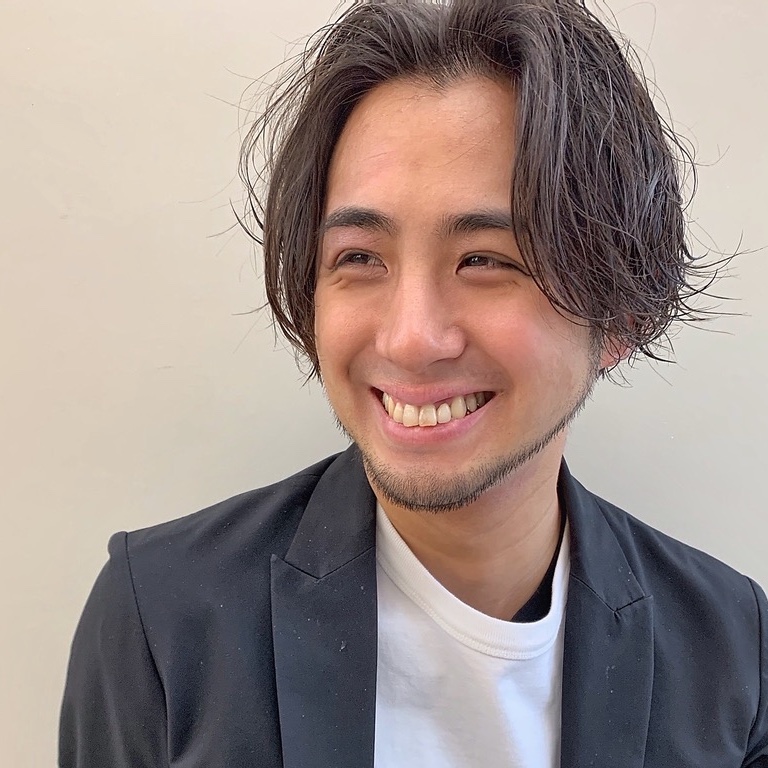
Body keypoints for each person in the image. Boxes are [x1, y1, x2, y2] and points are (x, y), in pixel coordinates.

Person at [60, 1, 767, 766]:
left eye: (485, 260)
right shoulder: (163, 620)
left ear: (620, 314)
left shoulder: (733, 651)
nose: (409, 337)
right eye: (360, 258)